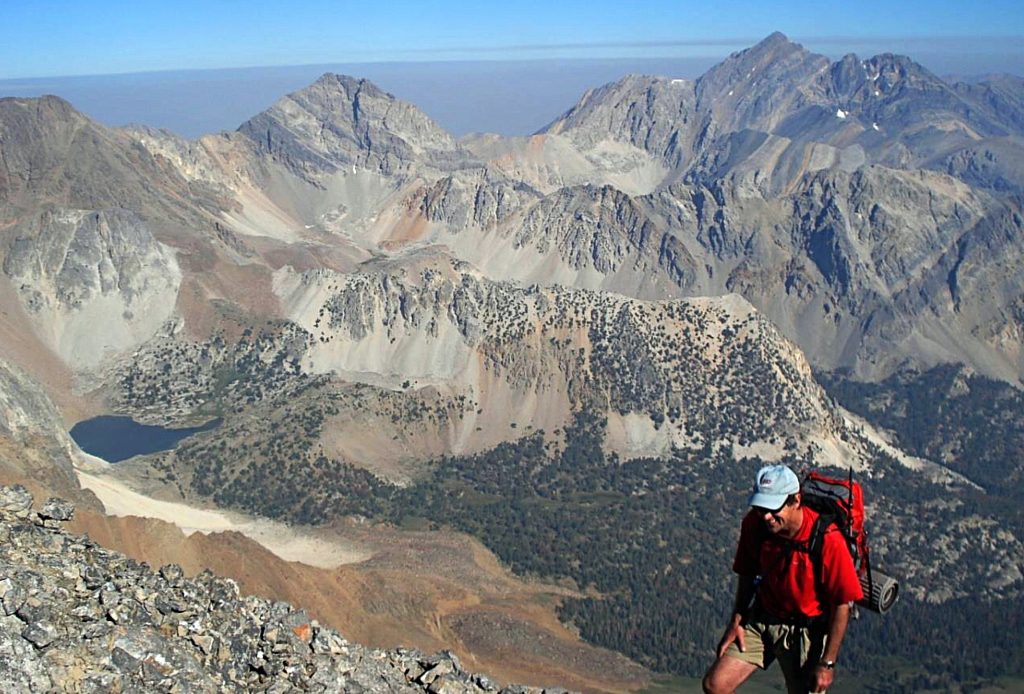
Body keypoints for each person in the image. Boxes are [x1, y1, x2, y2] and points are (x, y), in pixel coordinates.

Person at [702, 464, 863, 694]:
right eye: (760, 507)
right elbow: (746, 574)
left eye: (772, 507)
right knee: (715, 685)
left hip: (805, 632)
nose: (766, 516)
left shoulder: (827, 539)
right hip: (762, 618)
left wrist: (827, 663)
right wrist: (736, 621)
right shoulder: (754, 524)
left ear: (795, 500)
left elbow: (841, 605)